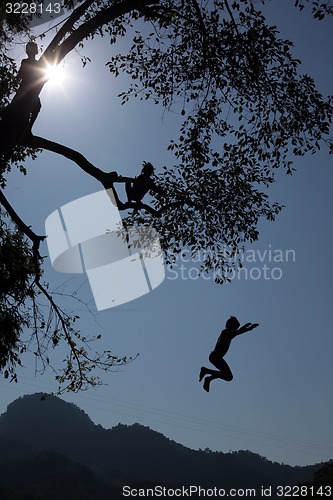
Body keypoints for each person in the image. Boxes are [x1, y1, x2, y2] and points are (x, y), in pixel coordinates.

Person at [199, 316, 259, 392]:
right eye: (235, 327)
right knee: (229, 376)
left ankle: (207, 375)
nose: (236, 329)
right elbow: (237, 332)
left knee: (228, 376)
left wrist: (247, 328)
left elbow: (237, 332)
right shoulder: (226, 332)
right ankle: (206, 374)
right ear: (231, 326)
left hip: (216, 357)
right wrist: (246, 328)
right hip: (215, 357)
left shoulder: (229, 334)